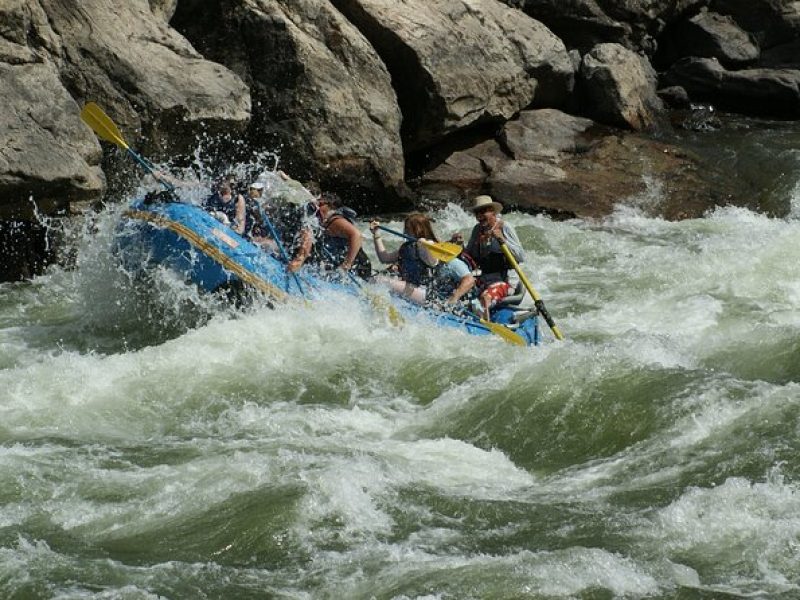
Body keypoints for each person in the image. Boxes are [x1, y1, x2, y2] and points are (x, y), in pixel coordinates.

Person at [369, 213, 475, 306]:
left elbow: (432, 262)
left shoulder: (432, 247)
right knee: (375, 277)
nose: (405, 232)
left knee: (380, 280)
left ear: (418, 230)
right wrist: (376, 234)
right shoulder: (407, 247)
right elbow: (384, 258)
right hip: (413, 288)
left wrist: (424, 246)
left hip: (429, 294)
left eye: (408, 229)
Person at [464, 195, 525, 320]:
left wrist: (502, 240)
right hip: (484, 279)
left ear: (492, 211)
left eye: (483, 211)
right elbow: (469, 256)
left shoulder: (504, 227)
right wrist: (459, 244)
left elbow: (521, 256)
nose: (480, 216)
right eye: (477, 213)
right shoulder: (477, 230)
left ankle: (485, 323)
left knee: (486, 298)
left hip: (506, 281)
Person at [301, 191, 372, 280]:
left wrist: (347, 264)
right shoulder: (323, 219)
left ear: (328, 205)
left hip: (358, 268)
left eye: (320, 202)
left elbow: (357, 235)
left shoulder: (335, 221)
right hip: (338, 263)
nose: (316, 204)